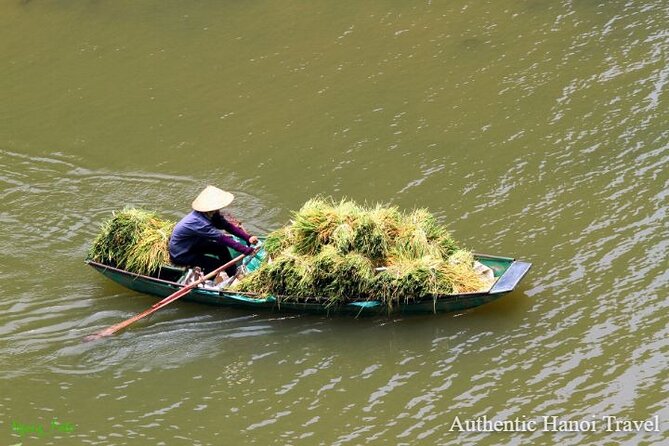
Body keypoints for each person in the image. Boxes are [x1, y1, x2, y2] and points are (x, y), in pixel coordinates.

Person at [169, 185, 258, 277]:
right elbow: (222, 238)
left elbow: (227, 226)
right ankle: (211, 279)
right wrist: (245, 250)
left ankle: (233, 273)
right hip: (182, 254)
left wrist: (248, 237)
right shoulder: (199, 222)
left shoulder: (212, 214)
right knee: (216, 265)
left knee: (221, 248)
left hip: (194, 244)